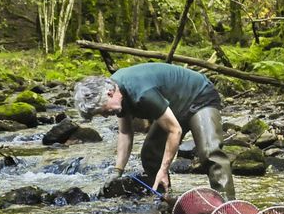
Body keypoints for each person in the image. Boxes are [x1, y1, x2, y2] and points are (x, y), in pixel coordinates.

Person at [74, 63, 235, 199]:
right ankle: (166, 199)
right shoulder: (118, 98)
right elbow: (125, 133)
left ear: (109, 93)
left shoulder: (141, 93)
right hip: (173, 107)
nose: (104, 115)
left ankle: (227, 208)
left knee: (209, 153)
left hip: (198, 96)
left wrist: (164, 170)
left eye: (102, 111)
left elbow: (174, 130)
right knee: (150, 155)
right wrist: (118, 171)